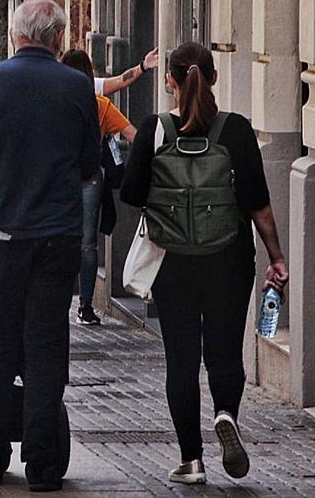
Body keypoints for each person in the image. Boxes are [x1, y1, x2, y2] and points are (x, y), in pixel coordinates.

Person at [0, 0, 99, 492]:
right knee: (47, 345)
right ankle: (44, 463)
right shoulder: (76, 86)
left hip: (2, 236)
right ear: (58, 40)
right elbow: (91, 166)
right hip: (58, 237)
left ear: (15, 36)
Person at [120, 42, 288, 486]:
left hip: (172, 263)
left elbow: (132, 194)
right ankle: (226, 414)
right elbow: (258, 203)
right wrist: (276, 257)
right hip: (229, 259)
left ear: (170, 81)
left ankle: (191, 462)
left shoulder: (154, 129)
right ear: (213, 78)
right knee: (224, 353)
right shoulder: (236, 131)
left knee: (181, 360)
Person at [60, 49, 137, 325]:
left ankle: (57, 300)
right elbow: (133, 135)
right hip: (91, 177)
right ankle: (85, 306)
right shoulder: (100, 105)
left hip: (58, 178)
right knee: (87, 243)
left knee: (55, 238)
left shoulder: (55, 103)